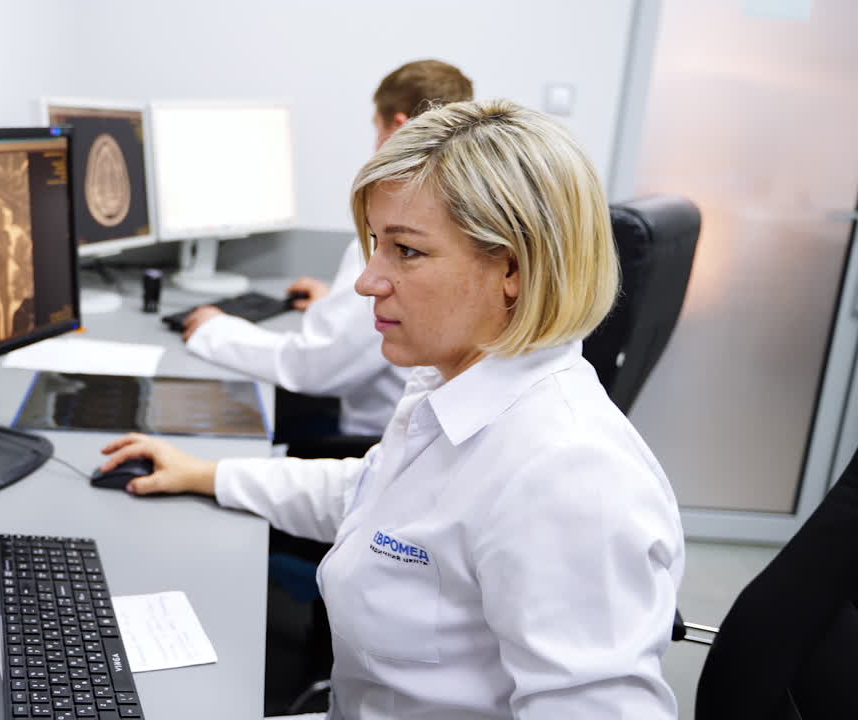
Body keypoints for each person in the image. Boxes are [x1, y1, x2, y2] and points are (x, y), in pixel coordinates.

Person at [99, 99, 685, 718]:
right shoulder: (456, 383)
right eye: (376, 245)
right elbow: (373, 497)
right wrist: (206, 474)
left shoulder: (570, 476)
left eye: (406, 251)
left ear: (513, 268)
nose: (366, 281)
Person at [181, 59, 474, 437]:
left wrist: (214, 332)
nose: (369, 283)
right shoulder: (455, 220)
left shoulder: (394, 232)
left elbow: (314, 368)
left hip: (372, 440)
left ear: (398, 128)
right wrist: (333, 305)